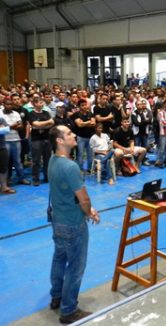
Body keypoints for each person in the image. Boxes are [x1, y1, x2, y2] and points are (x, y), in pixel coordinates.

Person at [48, 125, 100, 324]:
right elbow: (84, 199)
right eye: (69, 133)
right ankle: (68, 310)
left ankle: (57, 296)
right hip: (72, 223)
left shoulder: (53, 161)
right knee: (75, 266)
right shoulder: (70, 167)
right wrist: (90, 213)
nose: (74, 135)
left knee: (59, 259)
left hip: (58, 220)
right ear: (60, 141)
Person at [0, 117, 16, 194]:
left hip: (2, 147)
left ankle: (4, 187)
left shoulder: (1, 119)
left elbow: (7, 130)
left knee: (3, 168)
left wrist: (3, 129)